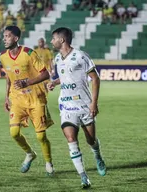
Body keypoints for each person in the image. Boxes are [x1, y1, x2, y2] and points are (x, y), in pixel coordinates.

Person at [47, 27, 106, 189]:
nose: (51, 41)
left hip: (84, 105)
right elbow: (65, 77)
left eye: (53, 38)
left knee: (91, 140)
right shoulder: (58, 58)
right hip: (66, 107)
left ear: (62, 40)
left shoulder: (81, 56)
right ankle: (84, 177)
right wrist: (54, 82)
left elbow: (95, 79)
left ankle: (98, 156)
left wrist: (94, 103)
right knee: (71, 140)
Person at [0, 25, 54, 176]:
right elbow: (8, 77)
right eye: (4, 36)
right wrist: (6, 97)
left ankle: (49, 162)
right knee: (14, 132)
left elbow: (46, 74)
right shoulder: (3, 56)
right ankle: (30, 154)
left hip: (35, 97)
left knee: (41, 136)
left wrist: (27, 83)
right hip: (17, 99)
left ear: (16, 38)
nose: (4, 39)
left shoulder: (29, 53)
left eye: (8, 36)